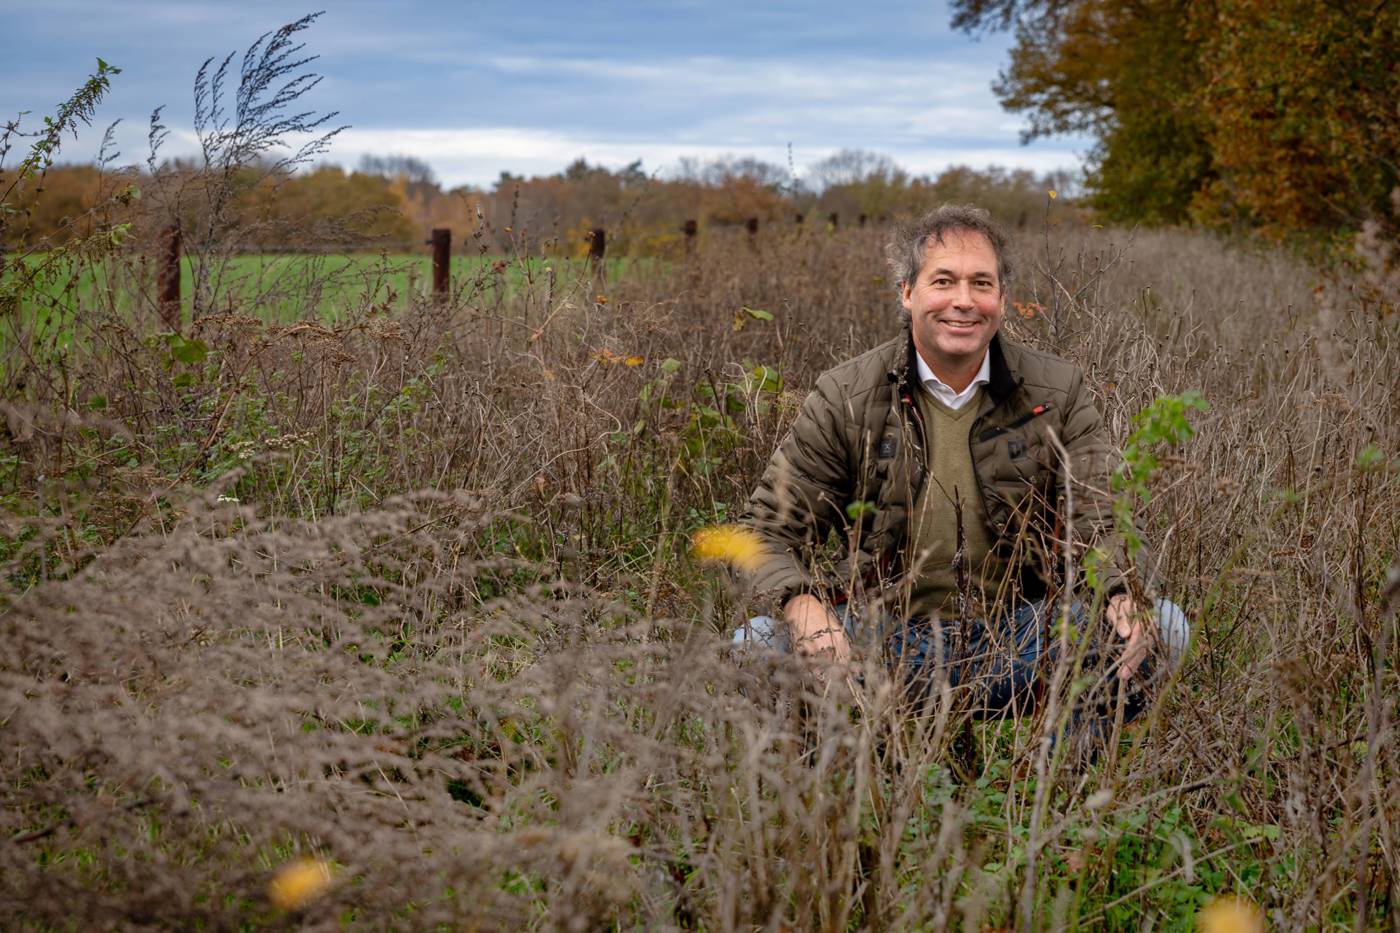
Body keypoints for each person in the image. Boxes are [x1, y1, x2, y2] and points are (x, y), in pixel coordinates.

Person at [736, 204, 1187, 724]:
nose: (963, 302)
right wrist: (802, 606)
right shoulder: (846, 395)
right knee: (756, 643)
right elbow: (762, 532)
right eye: (944, 281)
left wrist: (1121, 589)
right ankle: (848, 789)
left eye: (981, 283)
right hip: (882, 639)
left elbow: (1101, 516)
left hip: (1019, 633)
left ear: (1002, 298)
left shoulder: (1057, 392)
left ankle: (1060, 790)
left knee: (1163, 626)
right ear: (908, 293)